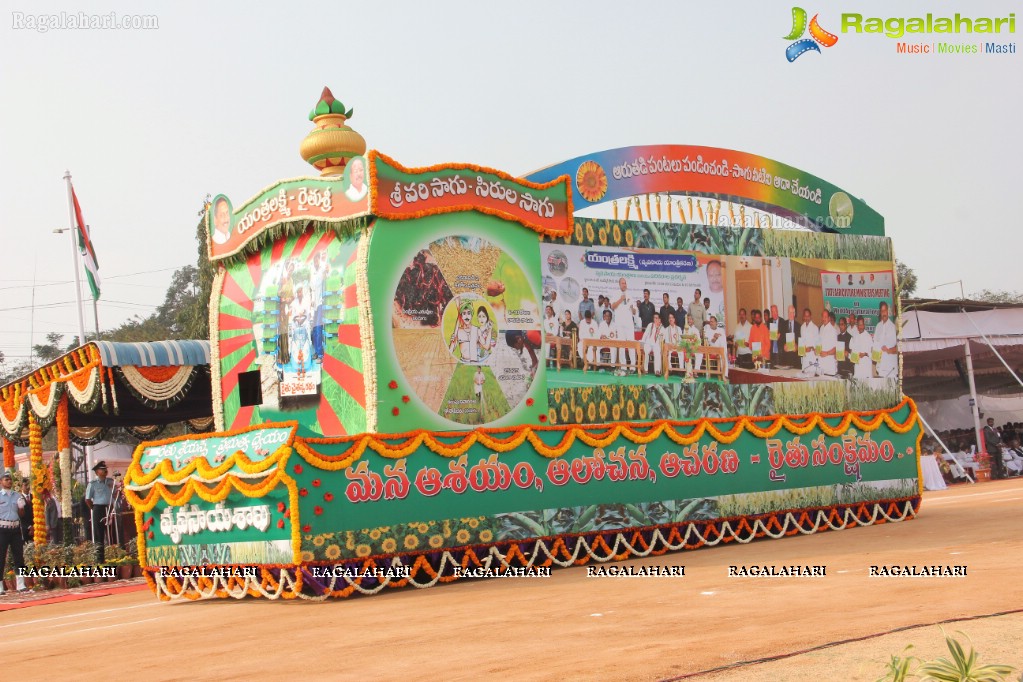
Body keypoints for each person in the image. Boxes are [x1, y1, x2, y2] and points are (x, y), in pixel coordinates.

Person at [0, 472, 29, 593]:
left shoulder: (17, 495)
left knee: (19, 556)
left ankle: (21, 584)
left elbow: (21, 515)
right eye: (6, 480)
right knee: (1, 557)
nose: (9, 481)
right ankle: (0, 586)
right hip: (2, 528)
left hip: (15, 528)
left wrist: (21, 508)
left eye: (10, 480)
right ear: (1, 482)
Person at [85, 461, 114, 563]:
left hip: (110, 508)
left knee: (112, 533)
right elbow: (87, 499)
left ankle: (116, 555)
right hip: (98, 509)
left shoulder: (110, 482)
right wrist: (94, 509)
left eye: (105, 469)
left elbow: (115, 492)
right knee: (99, 534)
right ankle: (100, 559)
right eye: (102, 469)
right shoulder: (92, 484)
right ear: (97, 472)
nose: (105, 471)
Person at [610, 278, 636, 369]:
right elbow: (612, 306)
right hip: (620, 324)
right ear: (619, 284)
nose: (624, 285)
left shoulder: (630, 294)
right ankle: (623, 366)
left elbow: (635, 311)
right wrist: (621, 299)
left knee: (631, 345)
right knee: (621, 345)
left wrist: (633, 309)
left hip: (629, 324)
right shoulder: (615, 294)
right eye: (622, 283)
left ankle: (633, 367)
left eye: (625, 283)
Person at [872, 301, 898, 378]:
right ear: (880, 312)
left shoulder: (893, 327)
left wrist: (888, 350)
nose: (884, 313)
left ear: (888, 311)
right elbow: (875, 345)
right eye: (882, 311)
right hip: (880, 368)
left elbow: (899, 347)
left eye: (885, 310)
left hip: (891, 369)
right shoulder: (878, 326)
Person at [799, 307, 820, 376]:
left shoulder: (815, 328)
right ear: (803, 317)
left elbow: (817, 344)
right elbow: (802, 342)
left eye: (808, 316)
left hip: (812, 357)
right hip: (804, 357)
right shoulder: (802, 327)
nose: (807, 318)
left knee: (811, 378)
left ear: (810, 316)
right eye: (805, 316)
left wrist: (811, 348)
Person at [818, 310, 838, 377]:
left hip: (829, 365)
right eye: (823, 317)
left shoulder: (833, 330)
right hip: (821, 364)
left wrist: (826, 353)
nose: (824, 318)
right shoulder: (821, 328)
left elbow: (835, 348)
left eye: (825, 317)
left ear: (829, 318)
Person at [19, 478, 33, 543]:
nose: (27, 487)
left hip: (37, 527)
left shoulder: (34, 497)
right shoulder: (19, 499)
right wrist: (29, 527)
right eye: (25, 485)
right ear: (21, 486)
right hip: (25, 529)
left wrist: (34, 527)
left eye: (28, 485)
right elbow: (20, 517)